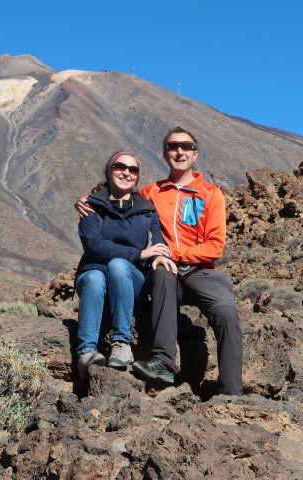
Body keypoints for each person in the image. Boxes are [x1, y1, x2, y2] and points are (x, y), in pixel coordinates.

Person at [77, 127, 243, 396]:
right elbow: (118, 196)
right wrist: (86, 200)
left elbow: (215, 248)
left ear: (195, 153)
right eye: (173, 147)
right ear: (165, 154)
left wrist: (170, 252)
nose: (180, 151)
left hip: (202, 272)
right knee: (163, 273)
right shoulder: (152, 192)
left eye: (186, 146)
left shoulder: (211, 194)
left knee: (226, 312)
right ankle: (163, 362)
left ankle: (232, 390)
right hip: (167, 271)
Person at [75, 151, 170, 378]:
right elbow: (93, 245)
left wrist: (158, 254)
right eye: (120, 167)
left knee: (118, 265)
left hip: (130, 279)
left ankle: (121, 344)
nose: (126, 173)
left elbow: (158, 239)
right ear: (109, 171)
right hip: (93, 272)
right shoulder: (91, 205)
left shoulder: (146, 208)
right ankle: (86, 352)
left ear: (137, 177)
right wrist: (139, 253)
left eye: (133, 169)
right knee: (95, 278)